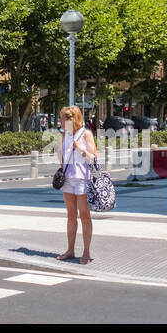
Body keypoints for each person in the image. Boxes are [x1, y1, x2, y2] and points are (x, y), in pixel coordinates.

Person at [57, 105, 97, 264]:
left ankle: (86, 252)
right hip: (67, 178)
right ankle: (70, 250)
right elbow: (61, 157)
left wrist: (80, 148)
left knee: (85, 217)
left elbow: (93, 158)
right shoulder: (64, 135)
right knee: (71, 216)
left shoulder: (86, 134)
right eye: (61, 118)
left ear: (74, 119)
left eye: (64, 118)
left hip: (82, 178)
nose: (61, 121)